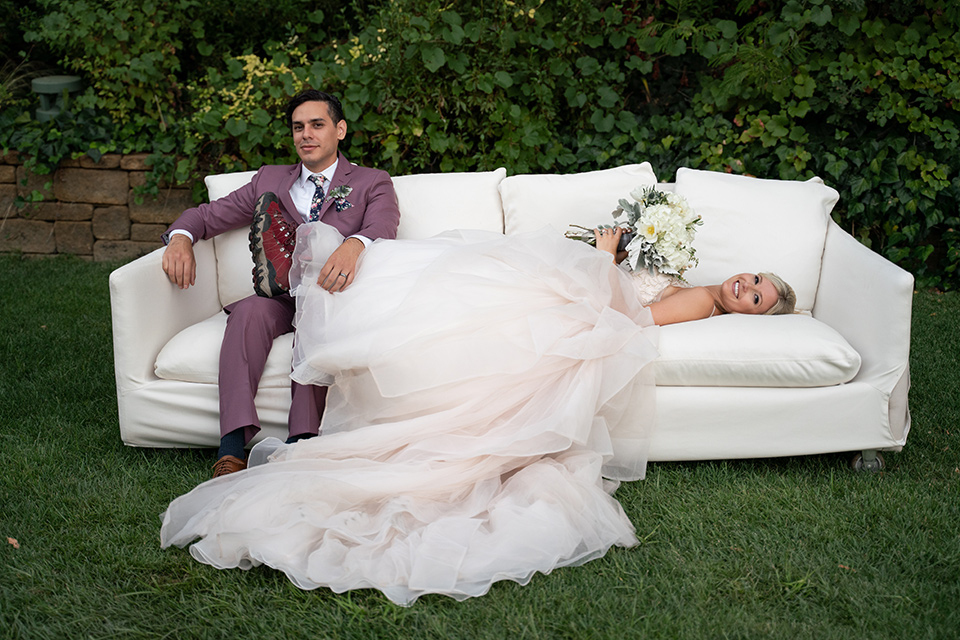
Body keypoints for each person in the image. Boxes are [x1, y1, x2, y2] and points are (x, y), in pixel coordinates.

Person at [161, 195, 796, 606]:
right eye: (755, 277)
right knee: (459, 278)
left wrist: (605, 260)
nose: (746, 286)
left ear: (749, 311)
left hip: (585, 307)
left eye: (755, 297)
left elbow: (632, 316)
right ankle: (324, 289)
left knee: (456, 288)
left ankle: (317, 288)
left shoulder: (700, 300)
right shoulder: (700, 279)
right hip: (583, 292)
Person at [160, 90, 400, 478]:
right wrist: (181, 238)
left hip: (332, 295)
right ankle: (232, 446)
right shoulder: (270, 179)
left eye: (317, 125)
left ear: (339, 130)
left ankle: (301, 441)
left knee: (314, 321)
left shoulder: (372, 182)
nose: (306, 134)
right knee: (247, 314)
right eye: (298, 127)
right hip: (277, 295)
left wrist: (354, 245)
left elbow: (383, 225)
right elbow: (207, 215)